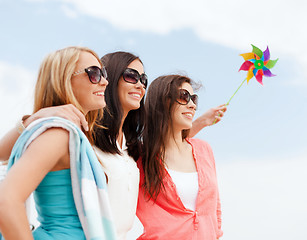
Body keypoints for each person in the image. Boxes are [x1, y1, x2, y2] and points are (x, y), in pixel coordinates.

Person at [0, 51, 226, 240]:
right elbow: (5, 162)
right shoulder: (85, 136)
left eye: (143, 79)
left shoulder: (129, 150)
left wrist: (200, 122)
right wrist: (35, 119)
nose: (140, 84)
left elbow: (170, 145)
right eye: (131, 76)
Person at [0, 46, 116, 239]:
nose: (105, 81)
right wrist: (34, 118)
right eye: (94, 73)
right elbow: (6, 199)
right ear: (64, 79)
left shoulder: (74, 137)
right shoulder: (59, 134)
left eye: (103, 73)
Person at [137, 74, 223, 240]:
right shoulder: (141, 158)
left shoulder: (204, 149)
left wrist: (201, 122)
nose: (192, 105)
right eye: (184, 97)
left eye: (194, 99)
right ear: (163, 102)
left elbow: (216, 211)